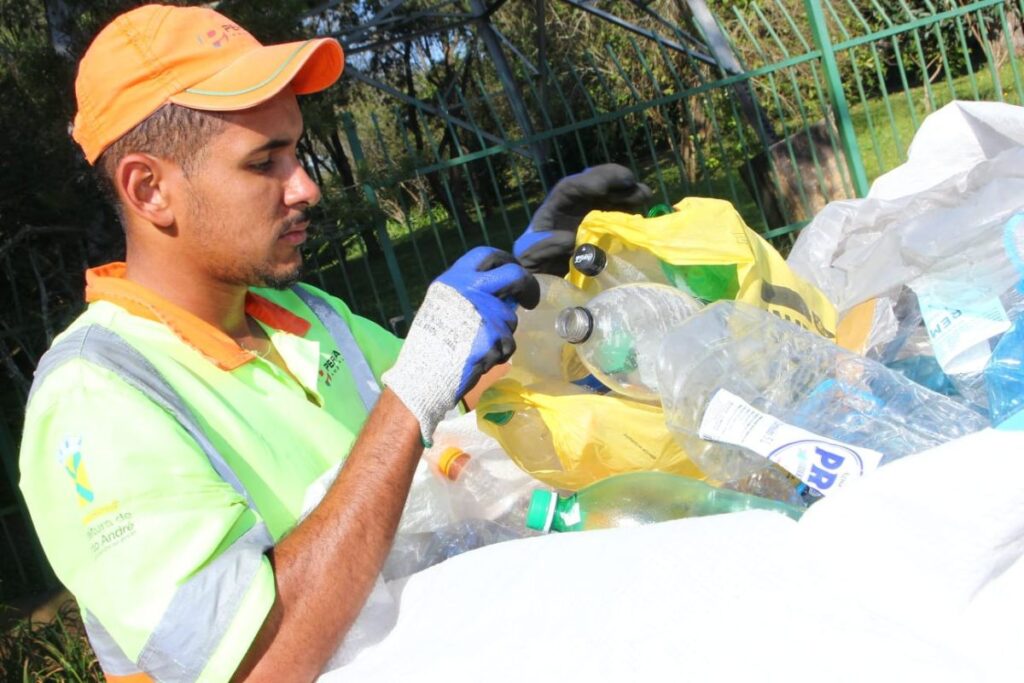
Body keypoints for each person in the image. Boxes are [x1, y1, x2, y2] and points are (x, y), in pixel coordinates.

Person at [18, 4, 652, 682]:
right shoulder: (96, 401)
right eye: (264, 162)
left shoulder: (304, 313)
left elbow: (460, 407)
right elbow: (258, 663)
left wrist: (537, 297)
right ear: (149, 189)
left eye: (295, 150)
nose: (306, 186)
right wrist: (417, 388)